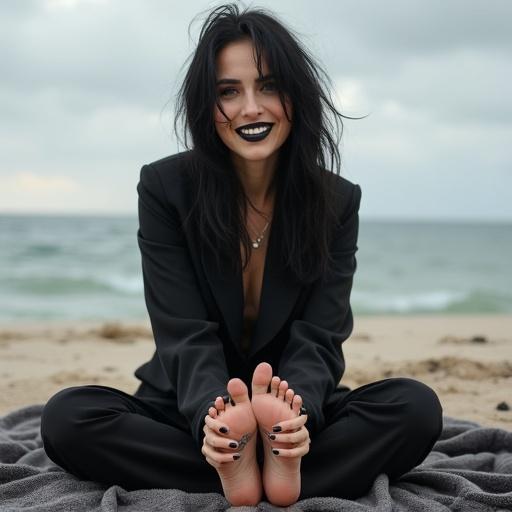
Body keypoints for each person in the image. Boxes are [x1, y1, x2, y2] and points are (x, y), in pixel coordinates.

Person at [40, 3, 443, 507]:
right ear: (207, 107)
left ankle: (274, 465)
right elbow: (182, 331)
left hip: (290, 404)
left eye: (269, 86)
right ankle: (248, 471)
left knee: (416, 409)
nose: (251, 107)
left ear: (297, 95)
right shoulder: (166, 188)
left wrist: (295, 423)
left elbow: (320, 335)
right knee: (67, 419)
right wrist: (216, 426)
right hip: (188, 402)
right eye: (229, 91)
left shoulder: (337, 201)